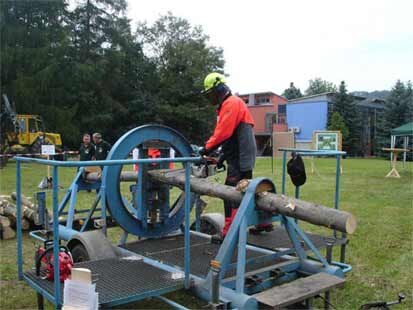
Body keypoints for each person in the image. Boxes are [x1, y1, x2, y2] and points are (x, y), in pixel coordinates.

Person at [199, 72, 262, 239]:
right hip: (238, 153)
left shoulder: (231, 103)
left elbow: (223, 133)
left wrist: (206, 148)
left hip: (241, 156)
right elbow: (230, 138)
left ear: (219, 88)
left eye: (210, 94)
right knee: (246, 189)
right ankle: (263, 222)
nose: (210, 98)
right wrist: (221, 158)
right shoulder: (227, 105)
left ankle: (229, 232)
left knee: (231, 192)